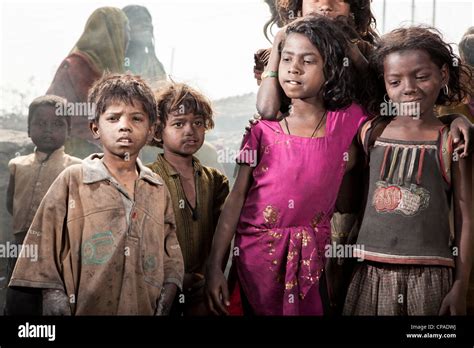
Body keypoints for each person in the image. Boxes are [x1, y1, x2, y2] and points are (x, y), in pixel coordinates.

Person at [205, 16, 368, 316]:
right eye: (286, 59)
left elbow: (384, 91)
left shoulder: (345, 122)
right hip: (254, 257)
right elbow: (235, 200)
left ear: (331, 68)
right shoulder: (262, 131)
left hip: (311, 259)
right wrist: (215, 265)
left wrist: (349, 46)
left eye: (308, 61)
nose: (294, 68)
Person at [9, 74, 184, 315]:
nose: (125, 126)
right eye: (113, 118)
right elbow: (43, 239)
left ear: (151, 129)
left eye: (137, 118)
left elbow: (171, 249)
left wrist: (169, 289)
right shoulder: (74, 179)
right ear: (95, 128)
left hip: (142, 305)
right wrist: (53, 293)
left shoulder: (156, 188)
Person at [343, 27, 473, 315]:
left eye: (422, 76)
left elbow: (466, 215)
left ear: (444, 75)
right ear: (385, 85)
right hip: (369, 272)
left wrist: (460, 285)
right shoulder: (370, 131)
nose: (409, 88)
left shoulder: (452, 141)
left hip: (429, 277)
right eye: (395, 81)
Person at [147, 82, 229, 316]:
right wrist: (172, 275)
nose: (189, 131)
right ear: (157, 130)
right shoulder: (146, 180)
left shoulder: (216, 182)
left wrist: (211, 273)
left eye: (198, 123)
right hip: (158, 291)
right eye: (178, 124)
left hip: (204, 293)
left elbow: (223, 238)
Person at [5, 95, 82, 315]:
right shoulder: (17, 165)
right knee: (17, 303)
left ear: (69, 130)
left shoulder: (76, 168)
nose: (48, 129)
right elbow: (12, 203)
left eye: (57, 124)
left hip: (57, 251)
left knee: (53, 306)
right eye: (40, 123)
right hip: (20, 249)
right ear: (29, 130)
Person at [46, 7, 130, 159]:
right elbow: (52, 113)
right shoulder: (72, 67)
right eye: (125, 30)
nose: (128, 38)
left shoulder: (116, 72)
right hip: (75, 155)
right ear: (112, 32)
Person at [122, 5, 167, 88]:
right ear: (126, 27)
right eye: (139, 21)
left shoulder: (155, 65)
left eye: (148, 21)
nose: (147, 25)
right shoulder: (116, 61)